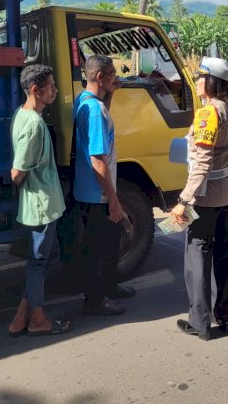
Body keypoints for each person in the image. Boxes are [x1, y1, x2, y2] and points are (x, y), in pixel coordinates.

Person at [170, 57, 228, 341]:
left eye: (201, 77)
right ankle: (225, 316)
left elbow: (201, 164)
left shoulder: (207, 114)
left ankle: (200, 322)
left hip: (205, 196)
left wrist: (183, 200)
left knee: (197, 255)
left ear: (211, 82)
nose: (197, 82)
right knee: (224, 254)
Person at [7, 64, 72, 337]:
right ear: (36, 90)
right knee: (38, 262)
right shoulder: (34, 124)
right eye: (51, 86)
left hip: (42, 202)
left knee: (47, 258)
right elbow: (17, 171)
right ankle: (38, 319)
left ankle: (22, 317)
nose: (56, 91)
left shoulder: (22, 115)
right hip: (41, 205)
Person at [73, 54, 134, 316]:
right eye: (112, 75)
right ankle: (95, 301)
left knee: (110, 242)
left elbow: (102, 108)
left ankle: (110, 286)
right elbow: (98, 159)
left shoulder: (85, 101)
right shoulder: (96, 111)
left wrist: (112, 94)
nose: (115, 78)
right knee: (95, 250)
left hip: (90, 189)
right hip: (98, 193)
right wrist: (114, 200)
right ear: (101, 77)